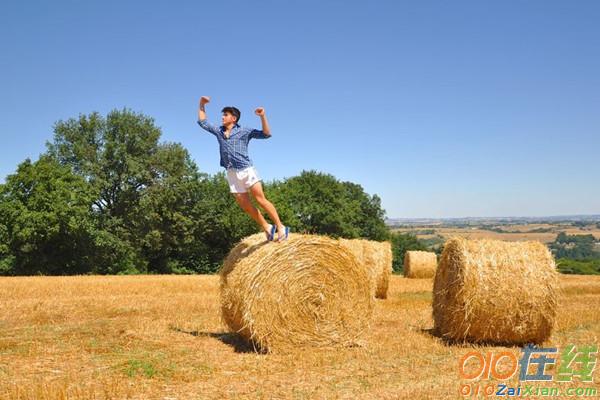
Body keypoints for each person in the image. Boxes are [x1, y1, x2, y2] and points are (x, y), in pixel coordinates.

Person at [197, 96, 289, 242]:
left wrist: (263, 116)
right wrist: (202, 104)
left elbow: (266, 134)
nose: (222, 117)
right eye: (223, 114)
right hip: (231, 172)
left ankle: (281, 226)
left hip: (247, 170)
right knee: (245, 206)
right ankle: (267, 226)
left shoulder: (244, 131)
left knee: (261, 199)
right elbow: (203, 122)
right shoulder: (219, 131)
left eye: (225, 115)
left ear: (233, 118)